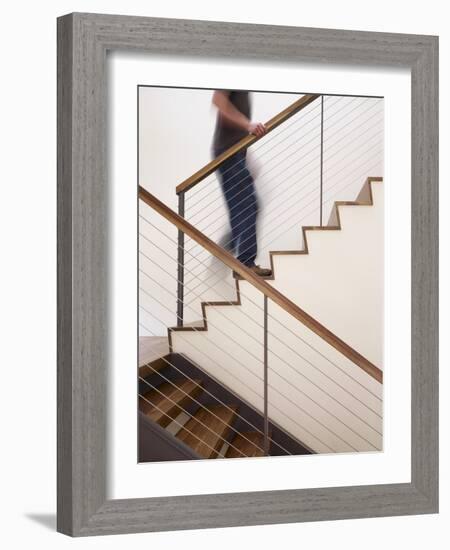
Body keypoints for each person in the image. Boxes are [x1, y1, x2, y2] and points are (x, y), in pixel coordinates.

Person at [212, 90, 272, 278]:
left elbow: (235, 131)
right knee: (248, 207)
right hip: (229, 153)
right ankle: (243, 263)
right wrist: (248, 125)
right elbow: (218, 102)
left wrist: (246, 157)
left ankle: (226, 254)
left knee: (243, 208)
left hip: (233, 154)